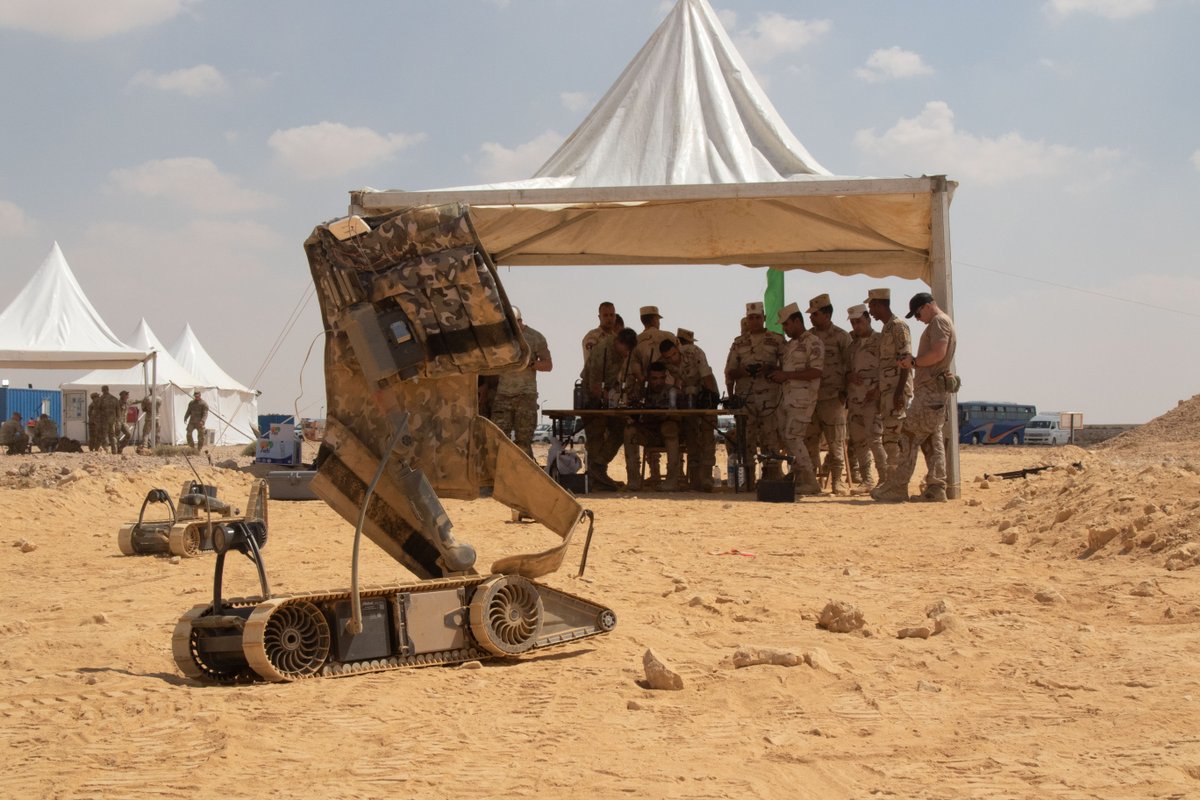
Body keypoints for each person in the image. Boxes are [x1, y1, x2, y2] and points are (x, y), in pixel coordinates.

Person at [872, 292, 957, 503]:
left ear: (928, 306)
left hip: (929, 393)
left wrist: (915, 362)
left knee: (907, 434)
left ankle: (898, 486)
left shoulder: (938, 322)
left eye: (918, 313)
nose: (918, 319)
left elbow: (938, 353)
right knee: (931, 439)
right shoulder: (940, 322)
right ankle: (936, 487)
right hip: (933, 393)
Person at [724, 301, 786, 487]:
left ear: (764, 318)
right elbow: (730, 372)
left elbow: (786, 368)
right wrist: (742, 372)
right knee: (746, 440)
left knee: (771, 438)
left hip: (771, 399)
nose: (754, 321)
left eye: (757, 317)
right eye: (751, 318)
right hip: (746, 399)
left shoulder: (776, 339)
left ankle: (772, 478)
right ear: (746, 319)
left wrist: (769, 368)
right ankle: (747, 481)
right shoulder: (739, 343)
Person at [769, 303, 823, 495]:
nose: (784, 329)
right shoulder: (791, 345)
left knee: (794, 437)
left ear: (797, 321)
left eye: (787, 324)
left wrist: (787, 375)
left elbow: (816, 371)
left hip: (802, 399)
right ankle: (799, 477)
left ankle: (810, 480)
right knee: (788, 438)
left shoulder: (813, 342)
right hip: (787, 398)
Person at [803, 294, 851, 495]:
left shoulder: (841, 337)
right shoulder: (808, 337)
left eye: (815, 314)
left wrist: (845, 394)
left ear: (827, 314)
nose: (811, 318)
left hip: (833, 397)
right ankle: (811, 480)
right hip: (811, 398)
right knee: (810, 440)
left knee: (836, 441)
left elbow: (850, 366)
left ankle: (837, 481)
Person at [579, 327, 638, 490]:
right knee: (596, 434)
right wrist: (609, 398)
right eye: (626, 350)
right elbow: (594, 384)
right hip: (591, 397)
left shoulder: (619, 353)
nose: (626, 354)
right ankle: (595, 480)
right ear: (619, 342)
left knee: (620, 428)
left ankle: (599, 467)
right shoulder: (602, 350)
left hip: (607, 396)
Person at [490, 307, 552, 460]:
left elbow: (548, 365)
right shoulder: (500, 338)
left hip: (525, 395)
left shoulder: (535, 337)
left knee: (523, 443)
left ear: (519, 321)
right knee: (496, 441)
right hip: (503, 396)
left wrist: (530, 364)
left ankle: (525, 479)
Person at [659, 337, 719, 491]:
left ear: (677, 349)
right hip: (687, 396)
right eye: (668, 357)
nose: (672, 359)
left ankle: (706, 478)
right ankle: (694, 479)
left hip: (706, 391)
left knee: (707, 434)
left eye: (674, 354)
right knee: (691, 434)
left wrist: (711, 404)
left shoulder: (694, 352)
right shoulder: (664, 363)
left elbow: (707, 378)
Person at [866, 287, 913, 481]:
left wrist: (899, 393)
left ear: (879, 305)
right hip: (887, 391)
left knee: (893, 438)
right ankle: (891, 480)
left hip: (896, 391)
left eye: (871, 306)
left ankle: (895, 483)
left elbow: (906, 360)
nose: (870, 311)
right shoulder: (886, 329)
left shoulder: (898, 326)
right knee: (888, 437)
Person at [622, 362, 682, 492]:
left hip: (668, 433)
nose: (658, 382)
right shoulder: (641, 391)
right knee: (629, 431)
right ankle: (634, 480)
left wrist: (665, 414)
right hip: (648, 433)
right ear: (648, 378)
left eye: (661, 378)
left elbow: (680, 416)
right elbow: (631, 411)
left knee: (670, 428)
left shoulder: (671, 391)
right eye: (654, 378)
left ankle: (672, 480)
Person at [845, 304, 885, 494]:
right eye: (853, 323)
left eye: (859, 322)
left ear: (868, 319)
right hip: (855, 399)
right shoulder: (852, 345)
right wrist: (849, 377)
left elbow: (887, 370)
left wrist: (878, 390)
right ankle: (867, 480)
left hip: (872, 397)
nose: (856, 326)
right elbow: (846, 370)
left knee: (875, 439)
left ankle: (885, 479)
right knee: (858, 440)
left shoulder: (880, 341)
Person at [96, 385, 120, 454]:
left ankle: (106, 449)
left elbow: (97, 411)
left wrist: (98, 421)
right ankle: (114, 450)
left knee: (105, 435)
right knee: (112, 435)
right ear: (108, 389)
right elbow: (118, 411)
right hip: (112, 420)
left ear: (102, 390)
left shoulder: (100, 399)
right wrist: (117, 421)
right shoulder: (114, 399)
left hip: (104, 420)